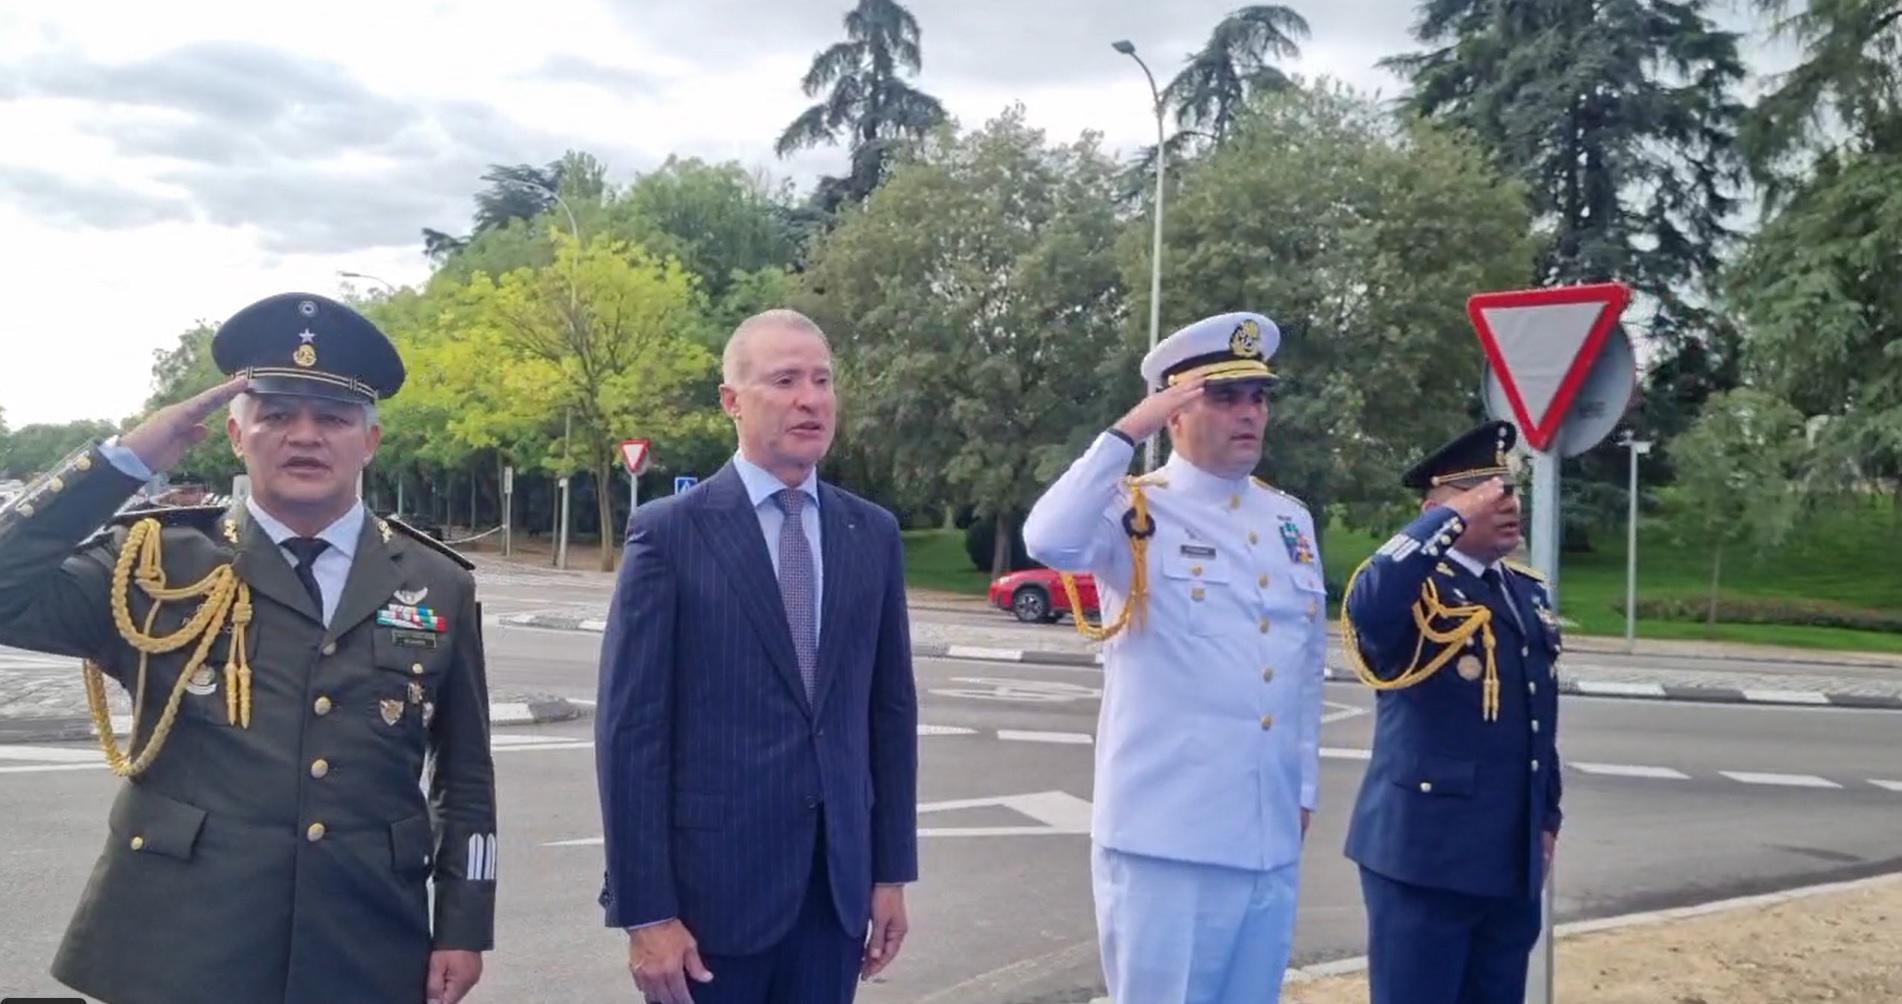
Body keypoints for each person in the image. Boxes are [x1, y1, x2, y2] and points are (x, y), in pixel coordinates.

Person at [0, 292, 497, 1004]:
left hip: (364, 939)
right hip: (178, 942)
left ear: (370, 440)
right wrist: (125, 460)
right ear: (236, 437)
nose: (305, 436)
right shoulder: (155, 561)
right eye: (276, 415)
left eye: (332, 418)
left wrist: (462, 922)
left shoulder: (435, 582)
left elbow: (467, 774)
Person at [594, 309, 919, 1004]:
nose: (811, 399)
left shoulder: (872, 534)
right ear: (731, 401)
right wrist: (647, 912)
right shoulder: (671, 535)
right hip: (710, 907)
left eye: (822, 380)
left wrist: (890, 872)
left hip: (834, 899)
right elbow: (631, 735)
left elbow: (889, 715)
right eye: (785, 380)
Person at [1022, 312, 1326, 1003]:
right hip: (1166, 844)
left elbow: (1302, 668)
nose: (1249, 414)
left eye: (1258, 397)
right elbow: (1047, 536)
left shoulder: (1289, 520)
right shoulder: (1131, 509)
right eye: (1224, 397)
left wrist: (1302, 789)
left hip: (1265, 834)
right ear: (1176, 411)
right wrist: (1126, 432)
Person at [1340, 420, 1564, 1004]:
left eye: (1510, 489)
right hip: (1424, 858)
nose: (1507, 502)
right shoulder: (1416, 590)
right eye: (1485, 493)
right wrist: (1450, 518)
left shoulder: (1523, 592)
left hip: (1507, 856)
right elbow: (1369, 598)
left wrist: (1547, 818)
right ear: (1439, 508)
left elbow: (1537, 717)